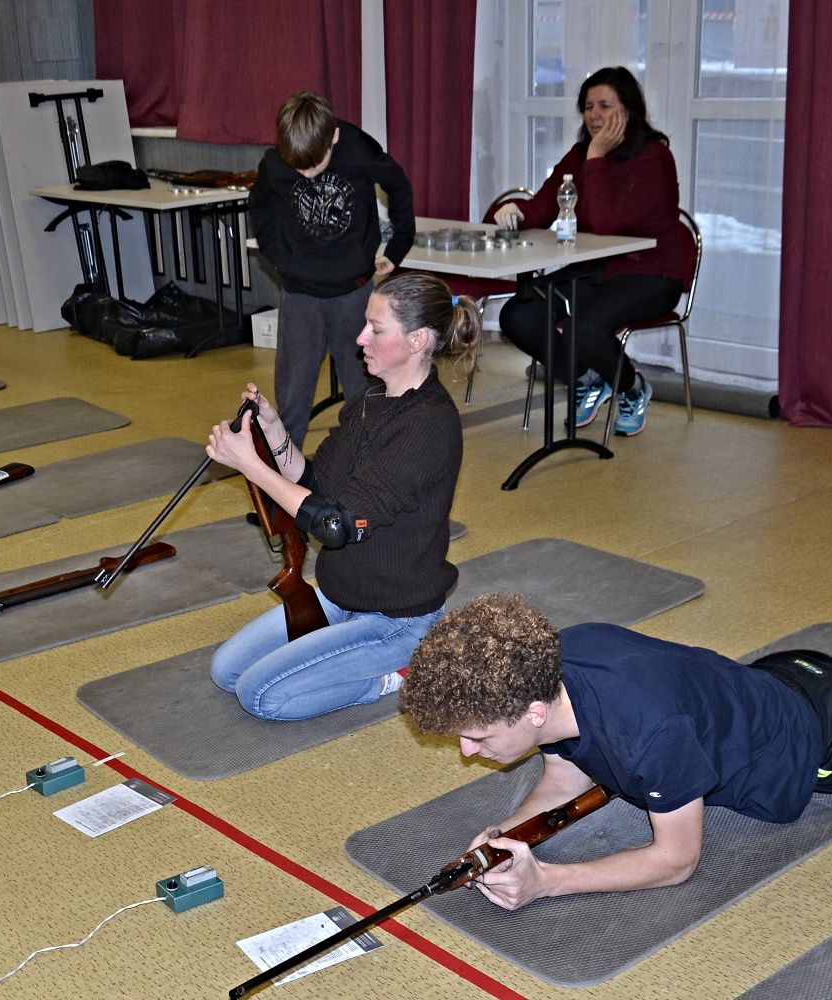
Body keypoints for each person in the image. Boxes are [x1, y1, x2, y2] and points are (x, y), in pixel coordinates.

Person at [401, 593, 832, 910]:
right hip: (771, 678)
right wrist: (501, 840)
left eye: (479, 737)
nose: (467, 752)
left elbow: (676, 860)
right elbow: (566, 777)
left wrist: (546, 881)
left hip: (829, 735)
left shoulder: (650, 735)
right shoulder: (554, 668)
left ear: (532, 713)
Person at [204, 273, 481, 721]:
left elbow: (336, 526)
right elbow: (316, 482)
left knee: (261, 696)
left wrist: (250, 467)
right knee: (226, 671)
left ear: (417, 341)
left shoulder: (428, 426)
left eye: (376, 329)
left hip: (397, 619)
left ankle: (397, 674)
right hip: (341, 595)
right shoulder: (371, 398)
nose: (359, 338)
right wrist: (274, 434)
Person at [494, 66, 693, 437]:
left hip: (652, 275)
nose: (595, 115)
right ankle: (587, 378)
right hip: (595, 271)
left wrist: (597, 156)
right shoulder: (581, 154)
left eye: (605, 106)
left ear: (628, 110)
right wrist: (515, 212)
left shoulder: (653, 157)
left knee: (582, 329)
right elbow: (544, 207)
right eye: (588, 107)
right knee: (518, 315)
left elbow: (606, 223)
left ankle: (631, 387)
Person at [248, 91, 416, 448]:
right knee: (293, 396)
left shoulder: (359, 150)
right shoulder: (276, 162)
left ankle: (366, 462)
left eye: (314, 166)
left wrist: (398, 246)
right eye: (299, 168)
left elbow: (398, 185)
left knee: (364, 390)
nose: (307, 174)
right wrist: (281, 261)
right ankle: (284, 470)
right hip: (300, 295)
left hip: (353, 293)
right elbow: (260, 210)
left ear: (334, 137)